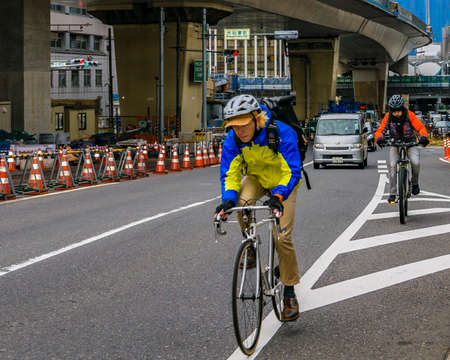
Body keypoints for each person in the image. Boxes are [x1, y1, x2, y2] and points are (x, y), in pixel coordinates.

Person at [213, 94, 302, 322]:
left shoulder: (281, 133)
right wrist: (228, 200)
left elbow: (292, 170)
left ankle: (290, 293)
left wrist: (279, 196)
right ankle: (250, 245)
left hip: (284, 182)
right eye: (234, 127)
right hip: (257, 178)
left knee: (281, 236)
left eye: (244, 125)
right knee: (243, 205)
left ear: (256, 119)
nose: (240, 131)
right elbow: (230, 174)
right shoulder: (233, 140)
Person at [375, 95, 429, 204]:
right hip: (395, 143)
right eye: (394, 111)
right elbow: (380, 130)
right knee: (393, 165)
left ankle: (414, 183)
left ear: (402, 108)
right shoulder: (388, 117)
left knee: (416, 162)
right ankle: (393, 193)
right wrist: (379, 138)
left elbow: (420, 127)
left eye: (398, 111)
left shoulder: (410, 115)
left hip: (410, 142)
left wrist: (423, 136)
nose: (396, 113)